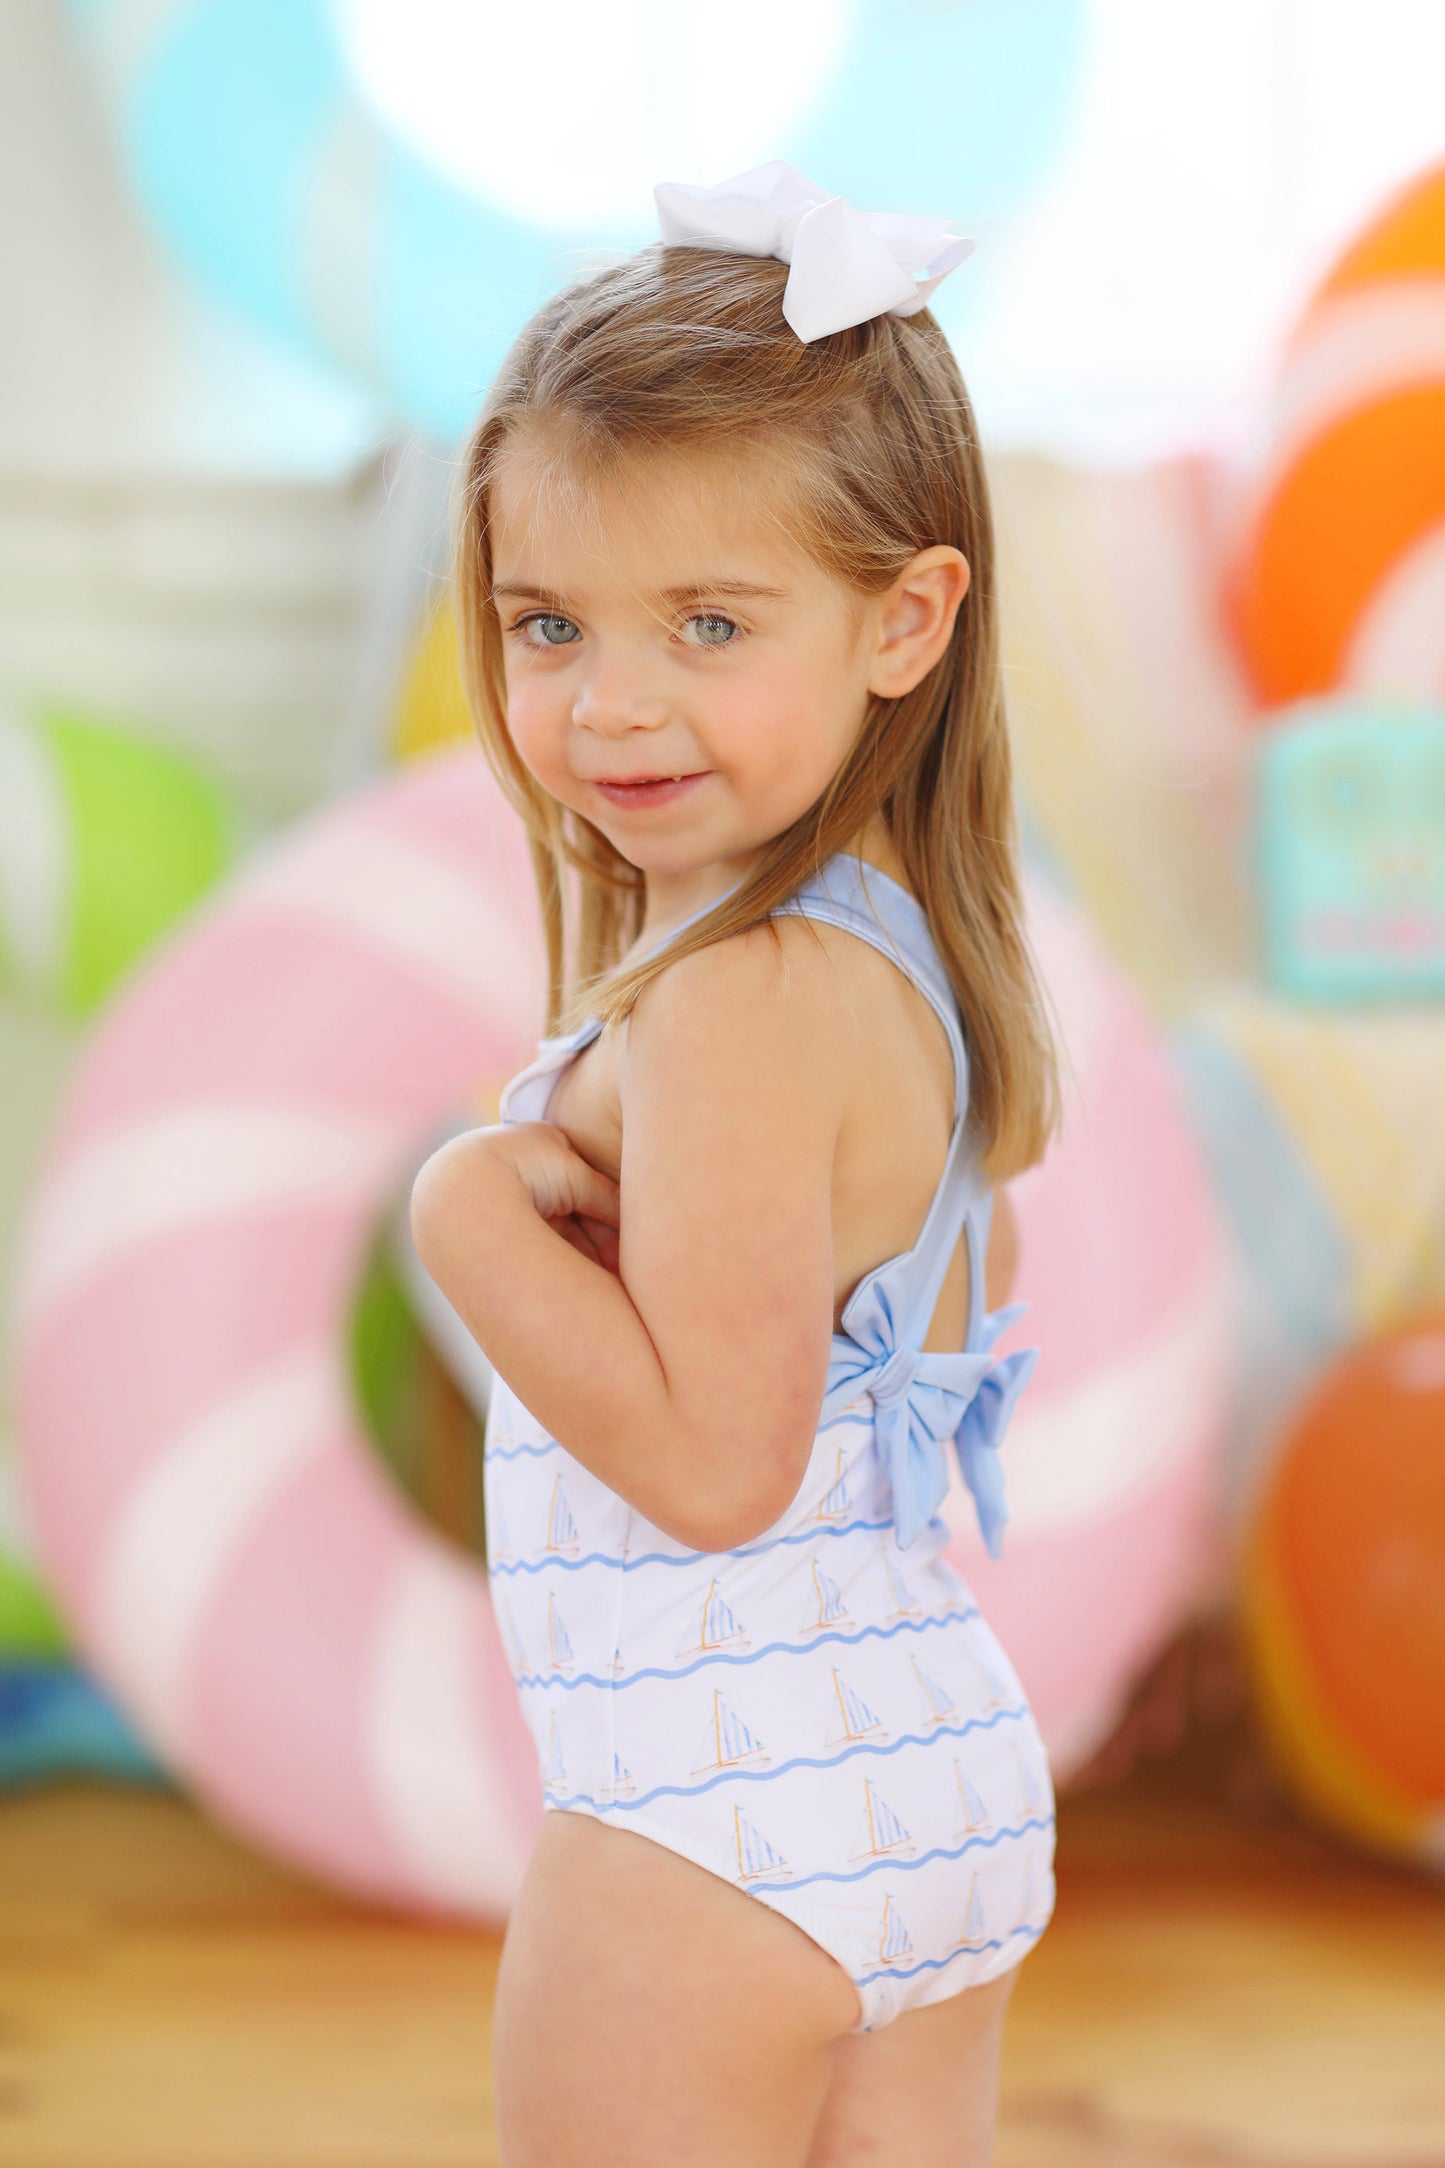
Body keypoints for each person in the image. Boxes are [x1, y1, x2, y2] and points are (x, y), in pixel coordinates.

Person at [411, 160, 1063, 2168]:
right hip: (931, 1769)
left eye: (708, 621)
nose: (610, 704)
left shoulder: (732, 1001)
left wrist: (463, 1215)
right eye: (548, 625)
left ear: (906, 617)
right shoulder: (900, 959)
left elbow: (715, 1467)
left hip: (716, 1810)